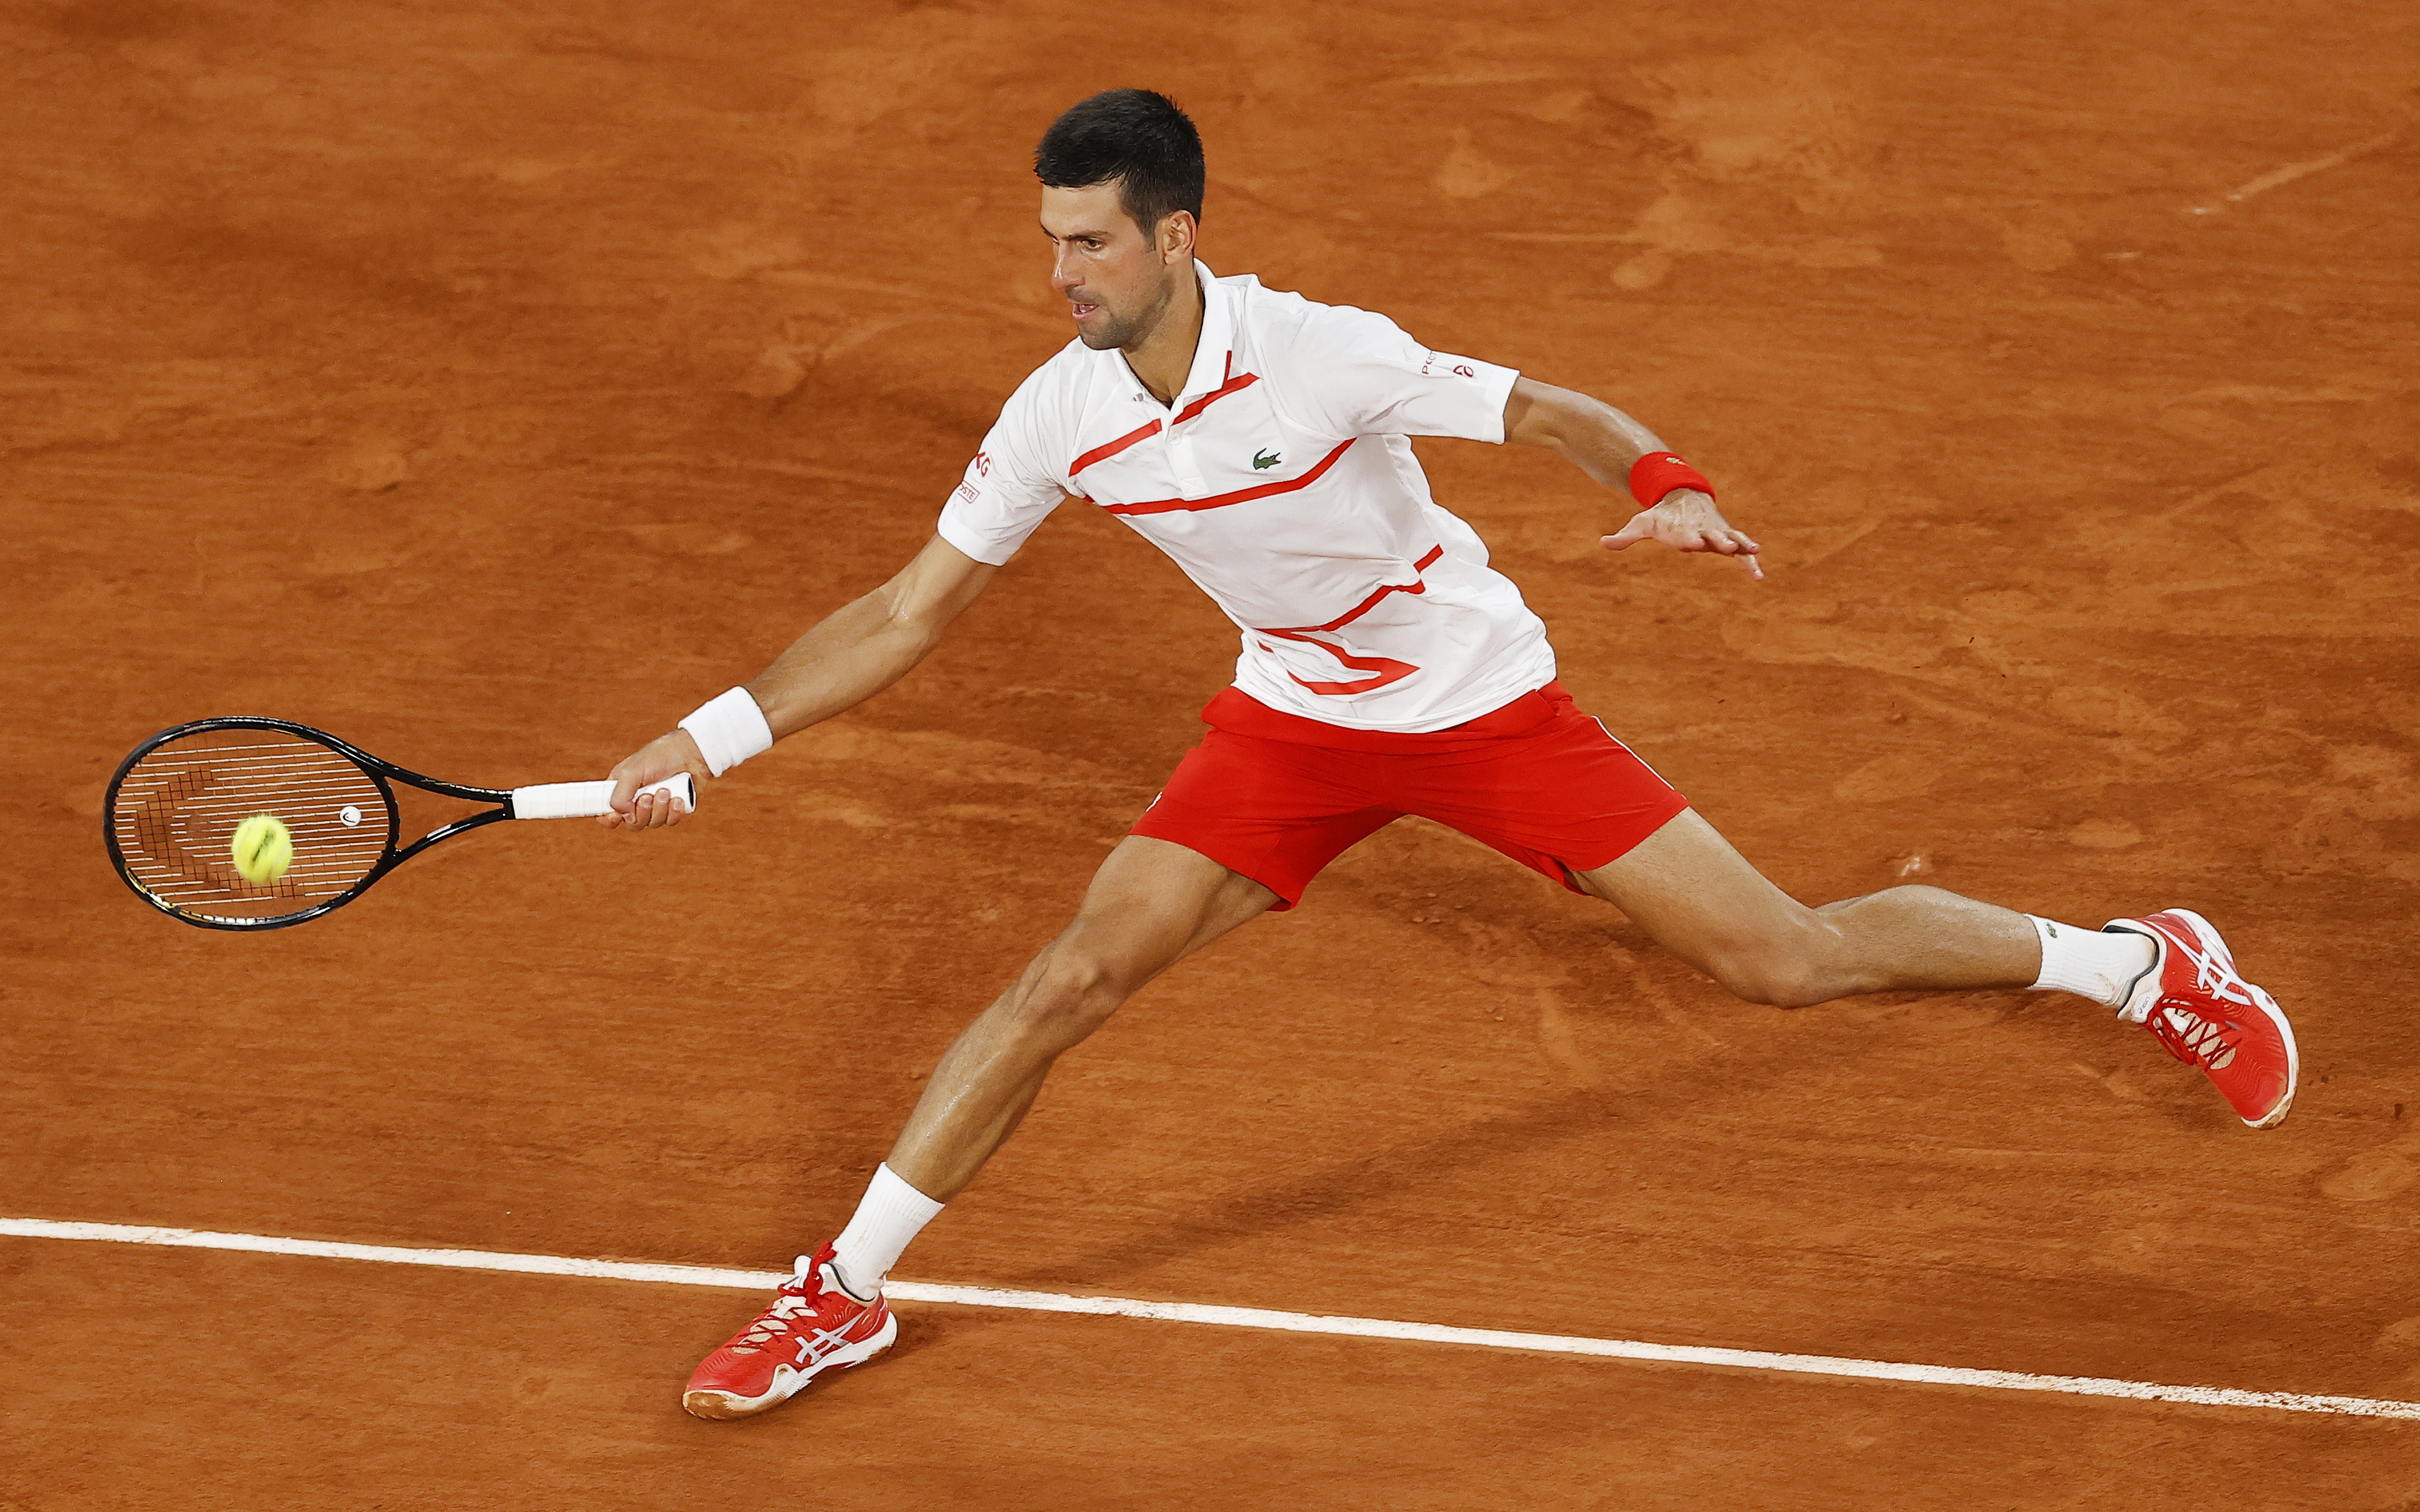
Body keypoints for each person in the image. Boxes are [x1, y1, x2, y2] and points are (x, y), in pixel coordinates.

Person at [599, 89, 2297, 1422]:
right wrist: (710, 733)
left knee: (1784, 958)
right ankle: (846, 1285)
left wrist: (1666, 487)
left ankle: (2135, 964)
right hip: (1289, 726)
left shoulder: (1324, 350)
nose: (1064, 275)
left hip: (1479, 709)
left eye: (1094, 246)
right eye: (1050, 243)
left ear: (1177, 236)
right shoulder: (1061, 410)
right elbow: (908, 608)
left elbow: (1554, 411)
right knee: (1068, 974)